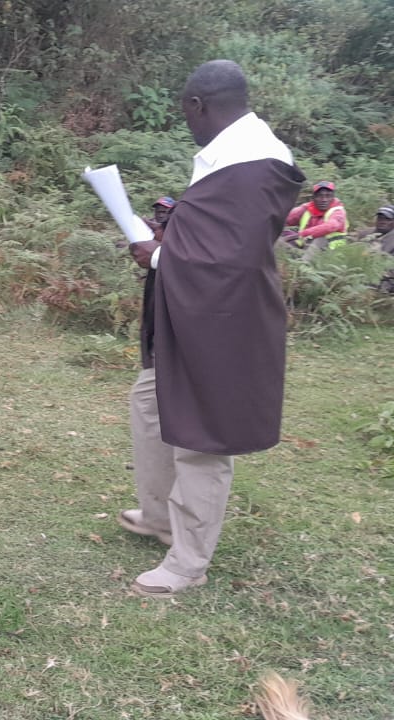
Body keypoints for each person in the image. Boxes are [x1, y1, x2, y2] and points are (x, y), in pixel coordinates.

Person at [121, 60, 303, 597]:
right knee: (150, 401)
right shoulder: (231, 156)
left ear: (197, 105)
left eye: (185, 112)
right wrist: (167, 236)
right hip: (194, 313)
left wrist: (156, 257)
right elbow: (210, 235)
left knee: (202, 437)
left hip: (222, 320)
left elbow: (233, 259)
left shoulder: (256, 160)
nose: (187, 122)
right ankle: (158, 518)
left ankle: (187, 562)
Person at [282, 181, 349, 260]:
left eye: (328, 196)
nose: (324, 200)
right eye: (320, 196)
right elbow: (283, 218)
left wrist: (303, 234)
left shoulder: (338, 211)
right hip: (305, 245)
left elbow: (331, 226)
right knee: (281, 234)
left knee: (321, 239)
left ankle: (303, 266)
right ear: (313, 198)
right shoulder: (306, 208)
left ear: (333, 198)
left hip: (333, 253)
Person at [354, 205, 394, 292]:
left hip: (384, 278)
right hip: (359, 273)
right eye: (380, 218)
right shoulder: (364, 234)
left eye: (387, 219)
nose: (382, 221)